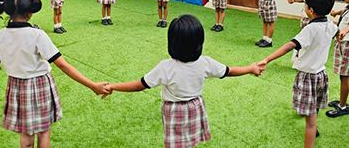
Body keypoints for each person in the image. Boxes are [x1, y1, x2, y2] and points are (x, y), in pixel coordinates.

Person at [106, 14, 263, 148]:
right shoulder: (205, 62)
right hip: (196, 106)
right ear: (199, 43)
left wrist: (113, 86)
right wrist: (250, 68)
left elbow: (139, 85)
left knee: (176, 144)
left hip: (174, 111)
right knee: (191, 141)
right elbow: (229, 71)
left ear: (171, 43)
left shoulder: (166, 67)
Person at [0, 0, 110, 148]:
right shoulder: (37, 35)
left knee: (26, 134)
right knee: (43, 132)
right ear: (31, 11)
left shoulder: (0, 36)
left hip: (16, 87)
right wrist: (92, 85)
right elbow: (63, 65)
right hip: (40, 85)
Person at [258, 0, 337, 148]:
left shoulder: (310, 29)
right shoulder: (330, 24)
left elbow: (289, 46)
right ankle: (312, 121)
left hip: (308, 76)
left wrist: (267, 59)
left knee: (309, 123)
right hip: (321, 74)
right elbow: (338, 33)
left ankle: (312, 130)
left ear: (311, 10)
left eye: (305, 4)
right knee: (313, 109)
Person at [325, 0, 349, 117]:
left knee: (345, 75)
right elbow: (344, 11)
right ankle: (342, 101)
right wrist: (335, 12)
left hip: (347, 44)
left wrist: (345, 30)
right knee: (343, 74)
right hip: (343, 44)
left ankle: (343, 106)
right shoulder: (347, 7)